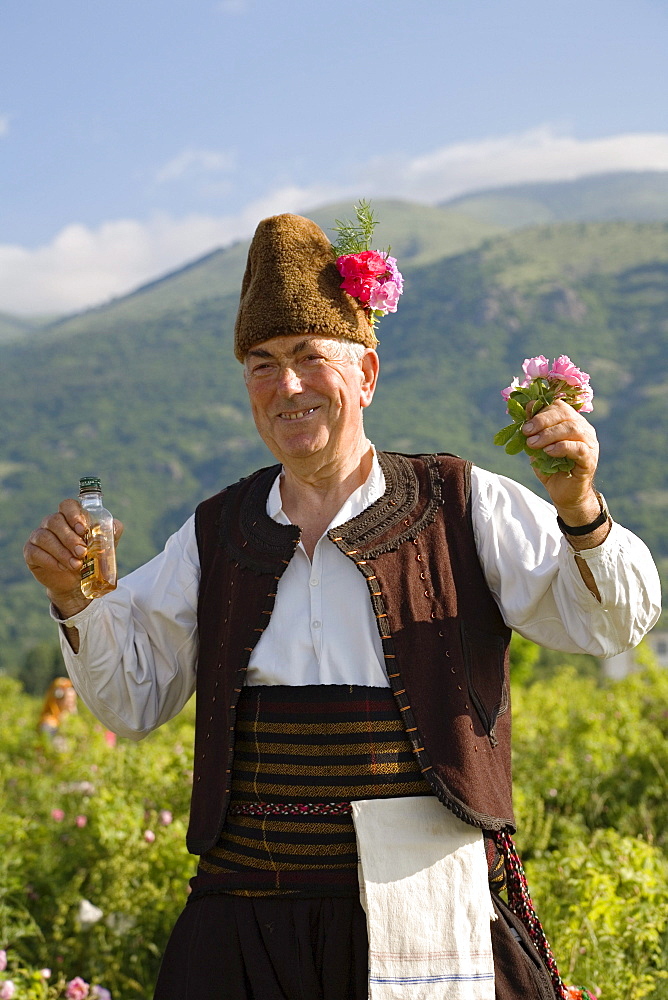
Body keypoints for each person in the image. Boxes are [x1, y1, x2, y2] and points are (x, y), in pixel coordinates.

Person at [24, 211, 660, 1000]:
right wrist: (74, 597)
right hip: (246, 918)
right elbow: (132, 701)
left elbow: (610, 623)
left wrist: (580, 508)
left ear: (366, 376)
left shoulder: (461, 502)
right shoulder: (217, 532)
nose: (285, 385)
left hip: (421, 906)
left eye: (308, 358)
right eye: (261, 364)